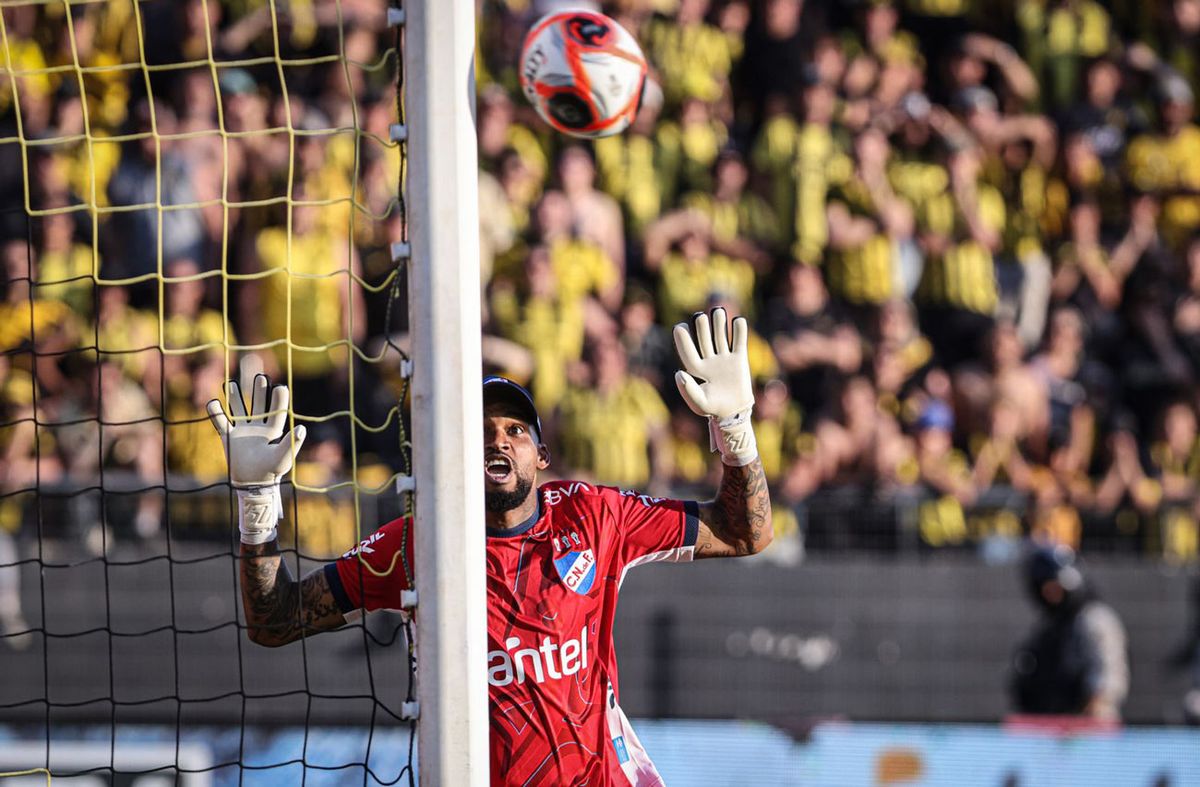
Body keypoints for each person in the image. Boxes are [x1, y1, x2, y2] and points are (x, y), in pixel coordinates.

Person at [205, 307, 772, 786]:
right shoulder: (415, 547)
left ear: (541, 457)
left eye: (515, 430)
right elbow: (275, 621)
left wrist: (736, 428)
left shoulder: (595, 516)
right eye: (481, 431)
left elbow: (746, 531)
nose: (498, 439)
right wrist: (257, 507)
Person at [1010, 544, 1129, 721]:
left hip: (1087, 729)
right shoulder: (1052, 627)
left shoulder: (1094, 619)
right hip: (1055, 726)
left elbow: (1107, 678)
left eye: (1055, 587)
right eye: (1046, 588)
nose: (1051, 594)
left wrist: (1091, 714)